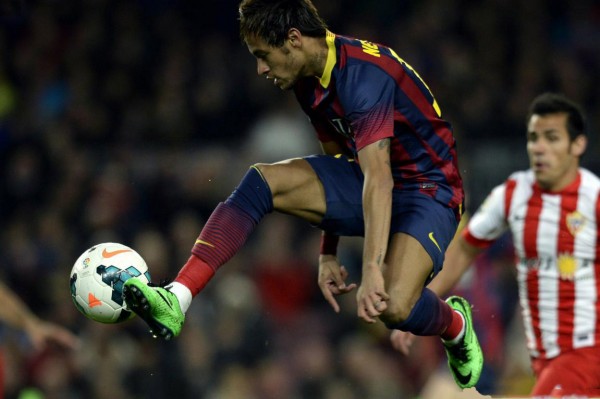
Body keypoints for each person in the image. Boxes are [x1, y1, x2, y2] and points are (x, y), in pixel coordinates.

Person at [123, 0, 483, 389]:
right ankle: (178, 297)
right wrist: (327, 250)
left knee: (393, 306)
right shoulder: (308, 79)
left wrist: (372, 267)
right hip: (375, 179)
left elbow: (378, 178)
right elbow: (341, 163)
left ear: (294, 39)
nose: (261, 69)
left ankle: (456, 325)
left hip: (429, 189)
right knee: (262, 181)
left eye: (264, 56)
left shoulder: (362, 77)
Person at [391, 92, 600, 396]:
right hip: (507, 355)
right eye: (534, 138)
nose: (539, 148)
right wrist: (412, 305)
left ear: (576, 145)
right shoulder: (512, 196)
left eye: (551, 138)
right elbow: (464, 250)